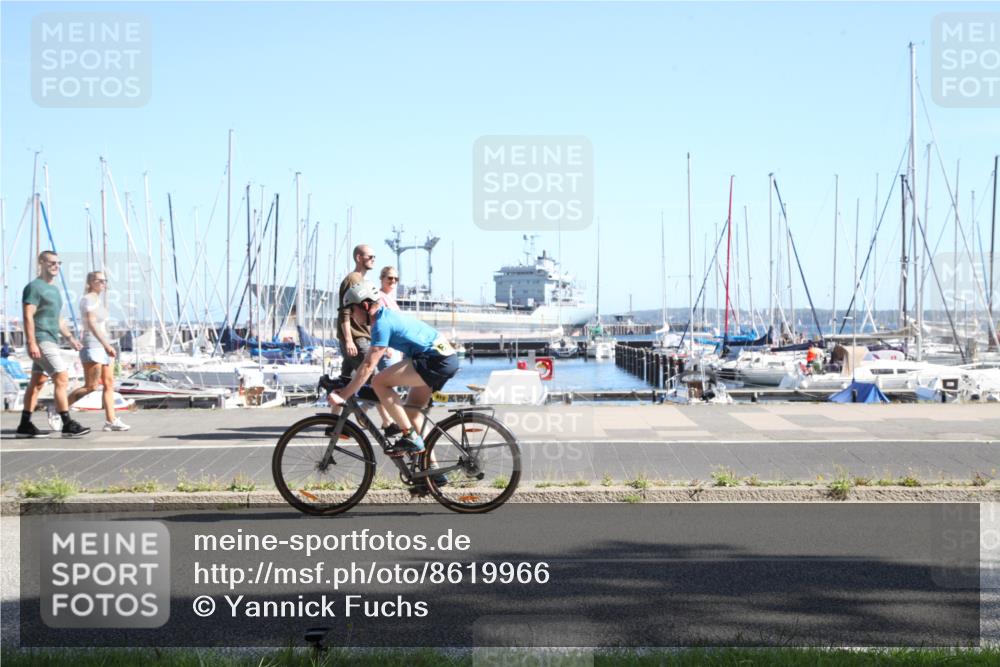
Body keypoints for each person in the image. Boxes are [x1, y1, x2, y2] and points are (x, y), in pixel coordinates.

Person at [331, 283, 458, 480]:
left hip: (435, 360)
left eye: (352, 309)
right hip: (444, 358)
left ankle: (409, 437)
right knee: (411, 412)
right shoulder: (384, 318)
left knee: (379, 383)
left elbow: (368, 366)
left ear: (365, 306)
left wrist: (344, 395)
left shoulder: (381, 323)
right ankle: (433, 472)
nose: (352, 316)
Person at [16, 251, 90, 438]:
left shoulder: (55, 290)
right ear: (41, 263)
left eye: (59, 263)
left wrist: (70, 338)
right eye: (52, 262)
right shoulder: (34, 287)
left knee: (37, 383)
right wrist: (32, 342)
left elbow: (58, 319)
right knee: (61, 377)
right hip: (41, 339)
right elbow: (27, 316)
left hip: (51, 339)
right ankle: (67, 424)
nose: (56, 266)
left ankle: (25, 425)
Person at [334, 246, 395, 435]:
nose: (373, 260)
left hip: (361, 337)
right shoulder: (352, 279)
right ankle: (388, 423)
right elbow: (344, 311)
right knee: (374, 378)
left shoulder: (362, 280)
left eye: (374, 257)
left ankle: (334, 423)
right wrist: (349, 340)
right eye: (370, 257)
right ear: (359, 257)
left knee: (344, 382)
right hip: (356, 338)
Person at [66, 271, 129, 431]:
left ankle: (111, 420)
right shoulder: (87, 300)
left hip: (104, 345)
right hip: (93, 345)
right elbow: (92, 325)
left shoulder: (98, 300)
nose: (103, 283)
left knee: (109, 384)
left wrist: (108, 345)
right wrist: (106, 345)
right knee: (91, 386)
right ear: (90, 282)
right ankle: (59, 409)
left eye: (105, 280)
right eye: (99, 280)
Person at [376, 266, 401, 372]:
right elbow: (380, 323)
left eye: (396, 279)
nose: (393, 281)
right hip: (388, 348)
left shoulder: (390, 298)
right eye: (390, 278)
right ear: (382, 278)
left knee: (394, 382)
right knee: (389, 383)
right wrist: (387, 347)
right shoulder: (379, 297)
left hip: (395, 347)